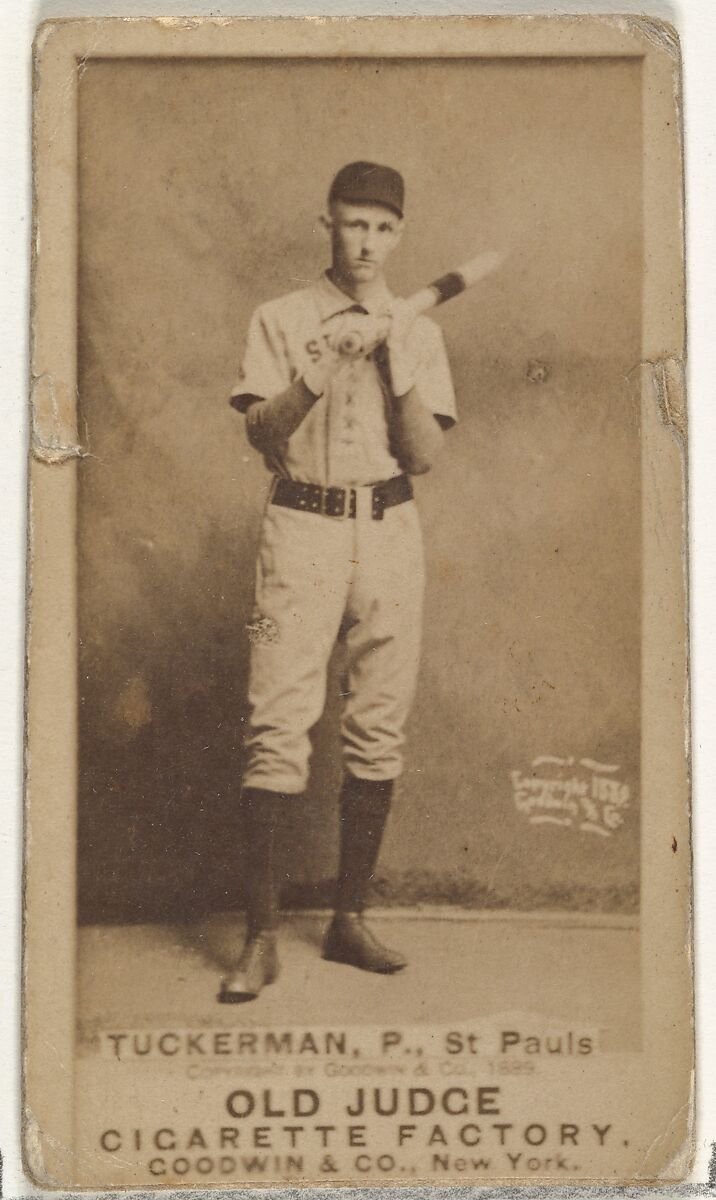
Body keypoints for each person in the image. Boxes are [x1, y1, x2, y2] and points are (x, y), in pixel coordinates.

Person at [222, 161, 456, 1002]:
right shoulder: (281, 318)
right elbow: (259, 430)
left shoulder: (415, 328)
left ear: (399, 234)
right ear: (327, 219)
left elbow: (426, 456)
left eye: (383, 228)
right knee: (276, 720)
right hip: (303, 526)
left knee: (379, 722)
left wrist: (392, 357)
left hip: (390, 528)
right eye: (354, 223)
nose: (367, 242)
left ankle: (349, 919)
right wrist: (319, 369)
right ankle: (259, 937)